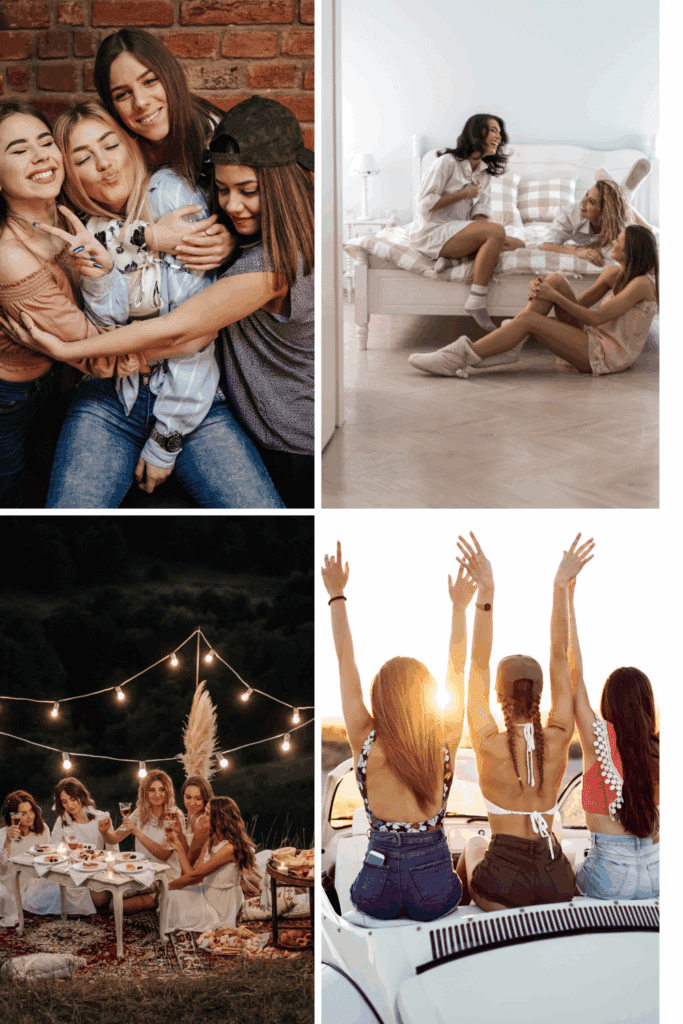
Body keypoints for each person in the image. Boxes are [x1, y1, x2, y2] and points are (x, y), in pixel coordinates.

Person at [16, 97, 315, 508]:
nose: (103, 164)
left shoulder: (174, 194)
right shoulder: (84, 232)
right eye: (83, 158)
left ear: (130, 145)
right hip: (110, 397)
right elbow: (108, 323)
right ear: (71, 175)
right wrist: (103, 275)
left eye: (110, 145)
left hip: (196, 405)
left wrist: (167, 437)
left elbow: (192, 338)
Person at [321, 541, 472, 921]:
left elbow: (345, 660)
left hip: (377, 889)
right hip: (434, 889)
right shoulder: (442, 743)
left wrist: (336, 595)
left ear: (380, 698)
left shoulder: (365, 738)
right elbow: (458, 669)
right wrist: (459, 608)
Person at [0, 101, 131, 508]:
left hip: (55, 384)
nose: (40, 156)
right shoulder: (11, 255)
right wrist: (187, 336)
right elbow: (100, 357)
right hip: (9, 398)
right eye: (18, 150)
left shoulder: (63, 212)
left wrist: (161, 236)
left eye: (45, 142)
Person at [454, 532, 593, 911]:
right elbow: (559, 657)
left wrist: (487, 593)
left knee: (473, 845)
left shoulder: (487, 742)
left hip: (504, 882)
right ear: (540, 695)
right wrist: (560, 587)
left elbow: (478, 664)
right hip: (554, 877)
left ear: (499, 695)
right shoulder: (560, 734)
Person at [408, 224, 658, 378]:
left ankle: (458, 358)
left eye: (619, 241)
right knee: (556, 279)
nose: (613, 241)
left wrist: (553, 297)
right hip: (593, 338)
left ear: (631, 251)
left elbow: (596, 317)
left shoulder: (642, 285)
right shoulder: (614, 273)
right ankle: (511, 344)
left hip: (606, 356)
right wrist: (547, 289)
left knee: (530, 318)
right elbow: (578, 309)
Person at [567, 572, 659, 899]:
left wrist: (567, 599)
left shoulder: (599, 739)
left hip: (610, 875)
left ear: (608, 703)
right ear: (648, 705)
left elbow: (574, 675)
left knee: (563, 867)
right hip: (657, 871)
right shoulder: (659, 751)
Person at [408, 114, 524, 332]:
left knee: (518, 244)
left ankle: (452, 261)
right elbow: (424, 206)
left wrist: (484, 233)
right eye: (493, 130)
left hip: (457, 232)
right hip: (432, 231)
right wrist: (464, 194)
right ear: (476, 132)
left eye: (499, 132)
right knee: (497, 233)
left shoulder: (484, 173)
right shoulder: (446, 163)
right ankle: (477, 300)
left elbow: (481, 212)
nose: (498, 136)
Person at [165, 796, 256, 933]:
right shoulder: (211, 840)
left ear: (219, 820)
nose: (202, 816)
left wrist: (166, 886)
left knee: (170, 898)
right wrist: (178, 847)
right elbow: (193, 875)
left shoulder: (229, 848)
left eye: (207, 814)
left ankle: (216, 920)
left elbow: (194, 877)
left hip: (221, 902)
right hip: (205, 891)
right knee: (170, 898)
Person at [101, 769, 184, 914]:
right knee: (108, 897)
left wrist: (137, 832)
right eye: (152, 790)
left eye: (162, 789)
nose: (157, 795)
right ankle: (150, 894)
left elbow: (164, 854)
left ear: (168, 791)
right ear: (145, 792)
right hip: (143, 873)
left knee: (116, 906)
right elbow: (114, 838)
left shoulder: (174, 815)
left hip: (165, 876)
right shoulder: (140, 812)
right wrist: (104, 831)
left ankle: (158, 896)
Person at [0, 790, 53, 925]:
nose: (30, 816)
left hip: (35, 880)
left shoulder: (43, 830)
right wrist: (8, 841)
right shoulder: (3, 834)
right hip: (9, 881)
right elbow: (3, 870)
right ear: (13, 816)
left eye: (31, 810)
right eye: (23, 813)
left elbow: (48, 858)